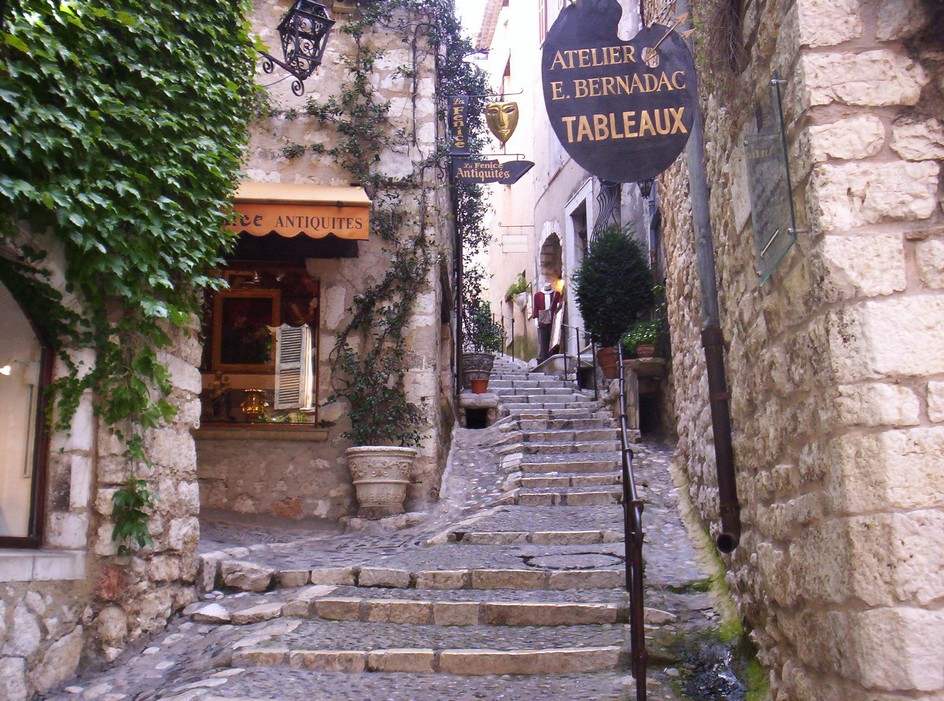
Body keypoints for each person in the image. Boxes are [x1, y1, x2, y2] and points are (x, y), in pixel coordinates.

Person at [531, 281, 562, 363]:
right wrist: (536, 320)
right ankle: (543, 359)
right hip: (542, 322)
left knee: (554, 341)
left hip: (554, 322)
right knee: (543, 341)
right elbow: (536, 307)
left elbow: (559, 307)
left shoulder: (556, 294)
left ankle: (553, 357)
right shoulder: (537, 295)